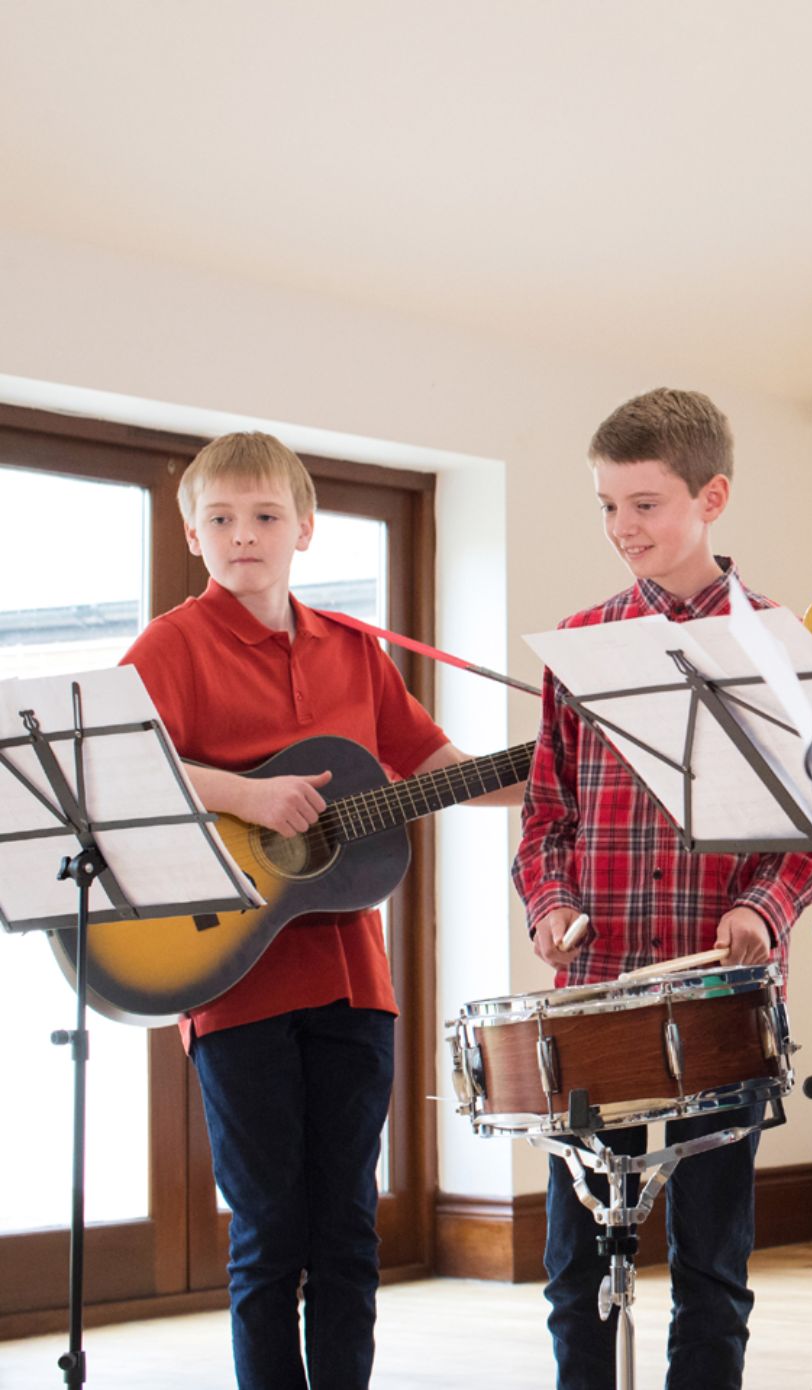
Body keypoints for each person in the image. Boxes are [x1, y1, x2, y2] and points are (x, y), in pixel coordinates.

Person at [122, 430, 519, 1390]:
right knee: (269, 1230)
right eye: (221, 519)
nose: (243, 536)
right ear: (192, 532)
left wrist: (557, 771)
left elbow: (437, 767)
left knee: (347, 1226)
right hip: (231, 981)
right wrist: (246, 796)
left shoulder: (353, 648)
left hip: (353, 982)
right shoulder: (172, 645)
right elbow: (122, 766)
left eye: (264, 517)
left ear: (304, 528)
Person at [511, 388, 812, 1390]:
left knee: (712, 1270)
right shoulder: (578, 644)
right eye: (607, 505)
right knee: (574, 1269)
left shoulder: (779, 644)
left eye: (643, 504)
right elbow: (544, 820)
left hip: (720, 997)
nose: (622, 527)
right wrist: (550, 903)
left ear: (710, 498)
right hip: (595, 994)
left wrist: (761, 908)